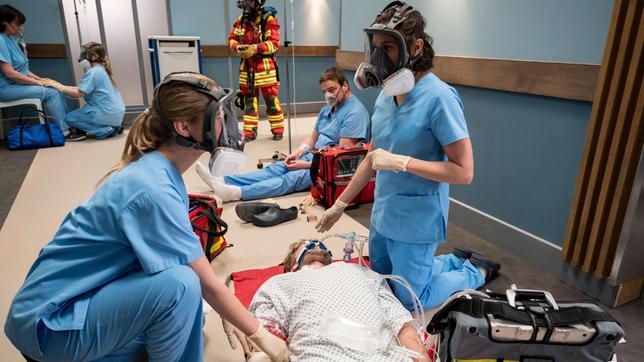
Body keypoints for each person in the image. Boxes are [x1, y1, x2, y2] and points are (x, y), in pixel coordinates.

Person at [4, 72, 288, 362]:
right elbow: (198, 280)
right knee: (181, 289)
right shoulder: (154, 189)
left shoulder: (158, 170)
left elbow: (189, 260)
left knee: (190, 318)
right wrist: (259, 334)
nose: (226, 122)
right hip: (52, 326)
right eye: (219, 115)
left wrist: (227, 310)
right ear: (183, 127)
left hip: (61, 307)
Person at [315, 1, 500, 311]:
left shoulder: (440, 97)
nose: (378, 58)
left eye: (387, 48)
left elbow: (464, 171)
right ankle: (450, 261)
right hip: (384, 215)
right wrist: (339, 205)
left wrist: (403, 163)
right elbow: (372, 157)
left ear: (415, 46)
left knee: (412, 299)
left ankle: (474, 270)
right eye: (375, 48)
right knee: (382, 283)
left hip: (417, 219)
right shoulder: (387, 97)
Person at [226, 239, 426, 362]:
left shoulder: (361, 272)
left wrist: (420, 355)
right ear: (290, 265)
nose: (316, 246)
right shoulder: (279, 283)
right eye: (306, 246)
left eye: (321, 245)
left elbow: (403, 326)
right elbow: (265, 333)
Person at [196, 66, 369, 202]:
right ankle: (223, 180)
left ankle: (235, 193)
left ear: (345, 85)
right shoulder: (329, 107)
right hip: (314, 156)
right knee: (276, 168)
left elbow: (340, 158)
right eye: (324, 92)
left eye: (332, 89)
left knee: (290, 178)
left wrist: (305, 165)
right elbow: (312, 138)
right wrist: (298, 153)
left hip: (328, 166)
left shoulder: (355, 113)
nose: (328, 95)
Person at [0, 4, 67, 132]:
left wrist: (39, 78)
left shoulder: (11, 40)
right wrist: (37, 83)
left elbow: (21, 69)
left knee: (55, 87)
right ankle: (64, 131)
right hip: (5, 88)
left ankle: (68, 125)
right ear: (4, 22)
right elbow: (10, 73)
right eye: (17, 24)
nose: (20, 27)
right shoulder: (0, 40)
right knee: (51, 93)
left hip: (15, 85)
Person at [44, 42, 125, 142]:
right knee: (82, 113)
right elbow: (81, 89)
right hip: (116, 114)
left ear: (94, 56)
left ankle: (105, 129)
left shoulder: (93, 72)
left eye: (84, 54)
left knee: (69, 118)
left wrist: (59, 87)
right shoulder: (102, 70)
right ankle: (114, 125)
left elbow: (79, 93)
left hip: (106, 113)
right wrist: (60, 86)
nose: (81, 57)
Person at [228, 0, 284, 141]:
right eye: (243, 2)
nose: (246, 6)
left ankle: (278, 130)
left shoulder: (268, 19)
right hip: (247, 70)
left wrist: (255, 48)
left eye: (249, 2)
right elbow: (232, 38)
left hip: (266, 71)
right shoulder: (241, 20)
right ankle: (250, 132)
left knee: (271, 102)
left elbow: (274, 43)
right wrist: (237, 48)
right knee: (249, 104)